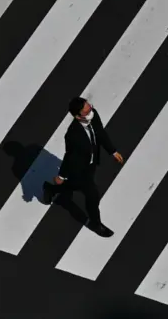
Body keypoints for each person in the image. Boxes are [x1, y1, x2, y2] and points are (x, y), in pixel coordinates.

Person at [42, 96, 124, 237]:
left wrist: (112, 151)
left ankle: (51, 188)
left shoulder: (93, 114)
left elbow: (100, 132)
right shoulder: (72, 135)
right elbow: (69, 156)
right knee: (92, 195)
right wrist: (62, 175)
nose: (90, 112)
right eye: (86, 112)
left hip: (91, 163)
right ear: (77, 116)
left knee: (74, 186)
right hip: (78, 168)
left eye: (89, 107)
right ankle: (96, 223)